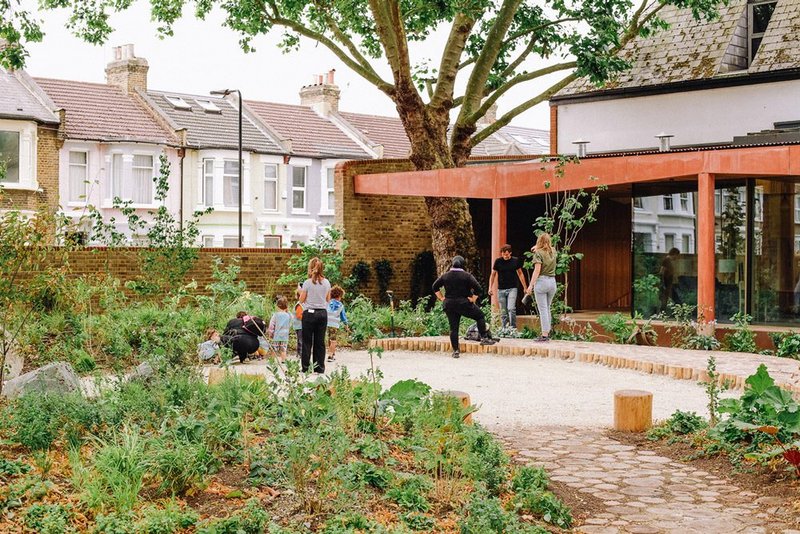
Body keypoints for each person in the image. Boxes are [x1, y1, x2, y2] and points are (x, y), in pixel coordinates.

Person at [432, 255, 496, 359]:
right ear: (463, 264)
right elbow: (479, 288)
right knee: (479, 316)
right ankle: (484, 338)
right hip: (464, 303)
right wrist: (473, 299)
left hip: (450, 304)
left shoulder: (445, 276)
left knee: (453, 328)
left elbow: (434, 286)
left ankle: (456, 351)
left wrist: (442, 298)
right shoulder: (467, 276)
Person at [299, 257, 331, 373]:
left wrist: (300, 291)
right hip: (322, 313)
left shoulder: (307, 283)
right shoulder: (327, 282)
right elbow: (328, 299)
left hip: (309, 314)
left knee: (307, 342)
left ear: (311, 267)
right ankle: (319, 368)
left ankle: (306, 368)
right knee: (320, 342)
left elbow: (302, 300)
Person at [526, 233, 557, 342]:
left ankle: (544, 335)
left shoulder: (538, 254)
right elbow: (546, 248)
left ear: (539, 241)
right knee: (547, 308)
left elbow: (537, 270)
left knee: (543, 309)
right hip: (552, 282)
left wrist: (530, 285)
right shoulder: (553, 252)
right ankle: (547, 332)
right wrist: (537, 247)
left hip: (542, 282)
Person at [488, 244, 527, 330]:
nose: (505, 256)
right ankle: (504, 328)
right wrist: (490, 287)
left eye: (507, 254)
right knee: (503, 311)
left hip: (512, 288)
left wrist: (525, 287)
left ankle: (513, 328)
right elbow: (493, 275)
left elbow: (520, 273)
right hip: (501, 288)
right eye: (503, 254)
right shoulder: (498, 261)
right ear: (501, 253)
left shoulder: (515, 261)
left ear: (510, 253)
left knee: (511, 308)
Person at [326, 285, 350, 362]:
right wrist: (346, 325)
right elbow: (343, 317)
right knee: (333, 340)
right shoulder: (340, 305)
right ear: (339, 296)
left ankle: (332, 353)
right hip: (334, 324)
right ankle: (330, 356)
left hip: (326, 323)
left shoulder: (328, 303)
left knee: (329, 339)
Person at [268, 296, 292, 361]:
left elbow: (271, 325)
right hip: (285, 335)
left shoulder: (275, 315)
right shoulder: (288, 315)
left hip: (277, 335)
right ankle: (283, 360)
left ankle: (272, 361)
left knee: (274, 349)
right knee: (283, 349)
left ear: (277, 306)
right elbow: (290, 323)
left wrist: (270, 333)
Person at [659, 247, 681, 312]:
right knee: (670, 298)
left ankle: (663, 311)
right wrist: (663, 283)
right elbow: (662, 271)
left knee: (668, 298)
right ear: (674, 254)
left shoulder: (668, 261)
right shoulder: (666, 260)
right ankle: (663, 311)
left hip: (669, 283)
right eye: (676, 256)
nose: (676, 258)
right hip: (667, 282)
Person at [292, 283, 304, 359]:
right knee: (301, 340)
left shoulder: (301, 304)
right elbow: (299, 316)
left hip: (299, 325)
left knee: (300, 339)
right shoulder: (299, 305)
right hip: (300, 325)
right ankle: (300, 353)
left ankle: (299, 353)